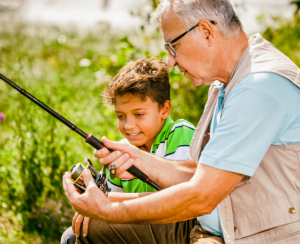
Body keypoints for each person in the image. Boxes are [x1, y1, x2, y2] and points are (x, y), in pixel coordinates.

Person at [63, 0, 300, 243]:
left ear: (207, 32)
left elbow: (202, 196)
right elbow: (204, 175)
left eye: (173, 46)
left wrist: (109, 211)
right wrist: (140, 160)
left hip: (244, 235)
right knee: (78, 234)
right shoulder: (227, 82)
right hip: (210, 224)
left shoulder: (259, 86)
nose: (170, 61)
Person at [61, 57, 196, 244]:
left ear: (164, 110)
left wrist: (104, 202)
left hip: (180, 223)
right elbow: (114, 200)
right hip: (144, 223)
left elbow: (180, 198)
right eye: (121, 116)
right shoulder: (122, 150)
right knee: (71, 236)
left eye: (139, 114)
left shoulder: (180, 133)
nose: (129, 125)